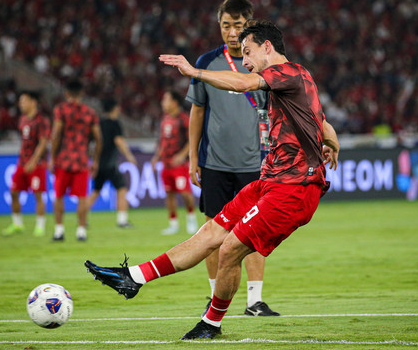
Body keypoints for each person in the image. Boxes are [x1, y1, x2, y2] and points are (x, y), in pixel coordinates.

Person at [85, 20, 340, 340]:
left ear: (267, 47)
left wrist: (196, 73)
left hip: (295, 188)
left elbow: (244, 84)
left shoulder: (289, 73)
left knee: (230, 248)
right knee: (209, 234)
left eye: (248, 53)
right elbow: (319, 118)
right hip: (270, 181)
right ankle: (134, 277)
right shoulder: (288, 83)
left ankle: (212, 323)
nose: (245, 61)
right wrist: (332, 143)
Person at [186, 0, 278, 317]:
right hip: (215, 163)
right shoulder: (206, 62)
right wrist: (192, 157)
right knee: (212, 230)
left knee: (255, 231)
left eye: (238, 25)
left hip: (256, 163)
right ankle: (214, 298)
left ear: (249, 25)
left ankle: (254, 301)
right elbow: (197, 112)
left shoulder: (263, 64)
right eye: (226, 25)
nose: (230, 31)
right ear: (219, 26)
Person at [50, 79, 102, 241]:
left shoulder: (61, 110)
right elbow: (99, 139)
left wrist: (52, 157)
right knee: (81, 197)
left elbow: (56, 135)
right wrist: (95, 161)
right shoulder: (89, 112)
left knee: (58, 196)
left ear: (66, 93)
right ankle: (81, 231)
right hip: (81, 161)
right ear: (81, 93)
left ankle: (59, 231)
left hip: (63, 160)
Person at [3, 91, 50, 237]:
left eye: (23, 101)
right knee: (14, 192)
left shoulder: (42, 120)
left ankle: (40, 226)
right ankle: (17, 224)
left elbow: (43, 143)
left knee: (38, 194)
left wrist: (33, 161)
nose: (20, 104)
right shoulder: (22, 119)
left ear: (33, 102)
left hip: (37, 164)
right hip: (22, 162)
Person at [151, 90, 199, 235]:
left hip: (180, 164)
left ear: (174, 102)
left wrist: (182, 155)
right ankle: (173, 223)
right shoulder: (165, 119)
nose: (162, 103)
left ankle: (191, 219)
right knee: (169, 193)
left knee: (185, 193)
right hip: (166, 164)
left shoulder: (184, 118)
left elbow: (192, 139)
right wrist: (156, 157)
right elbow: (162, 142)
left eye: (165, 99)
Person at [87, 99, 137, 228]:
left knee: (95, 192)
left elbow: (91, 143)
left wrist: (93, 160)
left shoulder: (98, 123)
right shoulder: (115, 124)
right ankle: (122, 220)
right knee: (121, 189)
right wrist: (129, 156)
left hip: (99, 163)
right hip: (110, 164)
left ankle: (82, 219)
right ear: (114, 108)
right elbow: (119, 141)